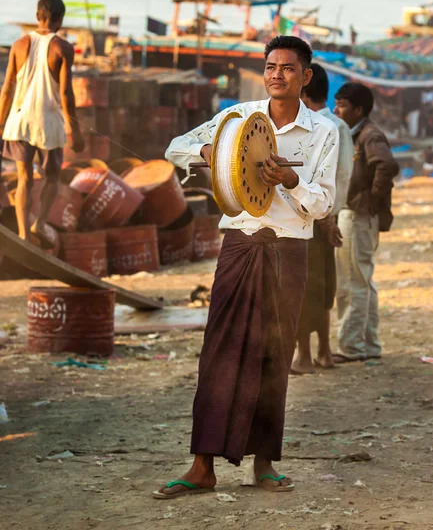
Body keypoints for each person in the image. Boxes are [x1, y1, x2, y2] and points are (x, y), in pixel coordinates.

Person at [154, 35, 339, 499]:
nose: (278, 74)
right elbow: (175, 147)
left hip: (289, 250)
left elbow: (323, 203)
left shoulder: (324, 132)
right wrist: (214, 154)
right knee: (220, 352)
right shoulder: (238, 119)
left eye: (289, 68)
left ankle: (264, 464)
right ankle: (202, 466)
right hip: (239, 244)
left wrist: (293, 181)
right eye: (271, 66)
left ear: (306, 76)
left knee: (274, 357)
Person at [0, 0, 84, 246]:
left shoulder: (18, 45)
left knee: (24, 177)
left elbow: (6, 90)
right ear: (59, 20)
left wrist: (1, 122)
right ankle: (41, 222)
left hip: (19, 121)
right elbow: (66, 94)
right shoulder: (63, 48)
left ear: (37, 16)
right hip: (48, 124)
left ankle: (24, 234)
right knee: (52, 176)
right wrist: (75, 131)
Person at [291, 63, 353, 374]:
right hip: (329, 215)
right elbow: (343, 179)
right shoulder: (338, 126)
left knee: (305, 286)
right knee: (323, 283)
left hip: (311, 216)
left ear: (303, 91)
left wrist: (326, 219)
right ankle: (324, 351)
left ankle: (304, 355)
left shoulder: (316, 127)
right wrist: (334, 216)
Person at [333, 83, 399, 363]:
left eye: (342, 106)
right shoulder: (355, 133)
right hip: (359, 215)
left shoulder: (369, 135)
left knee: (352, 282)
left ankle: (352, 347)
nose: (336, 110)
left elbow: (387, 166)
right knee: (362, 279)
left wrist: (369, 199)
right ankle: (369, 345)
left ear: (358, 110)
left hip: (358, 215)